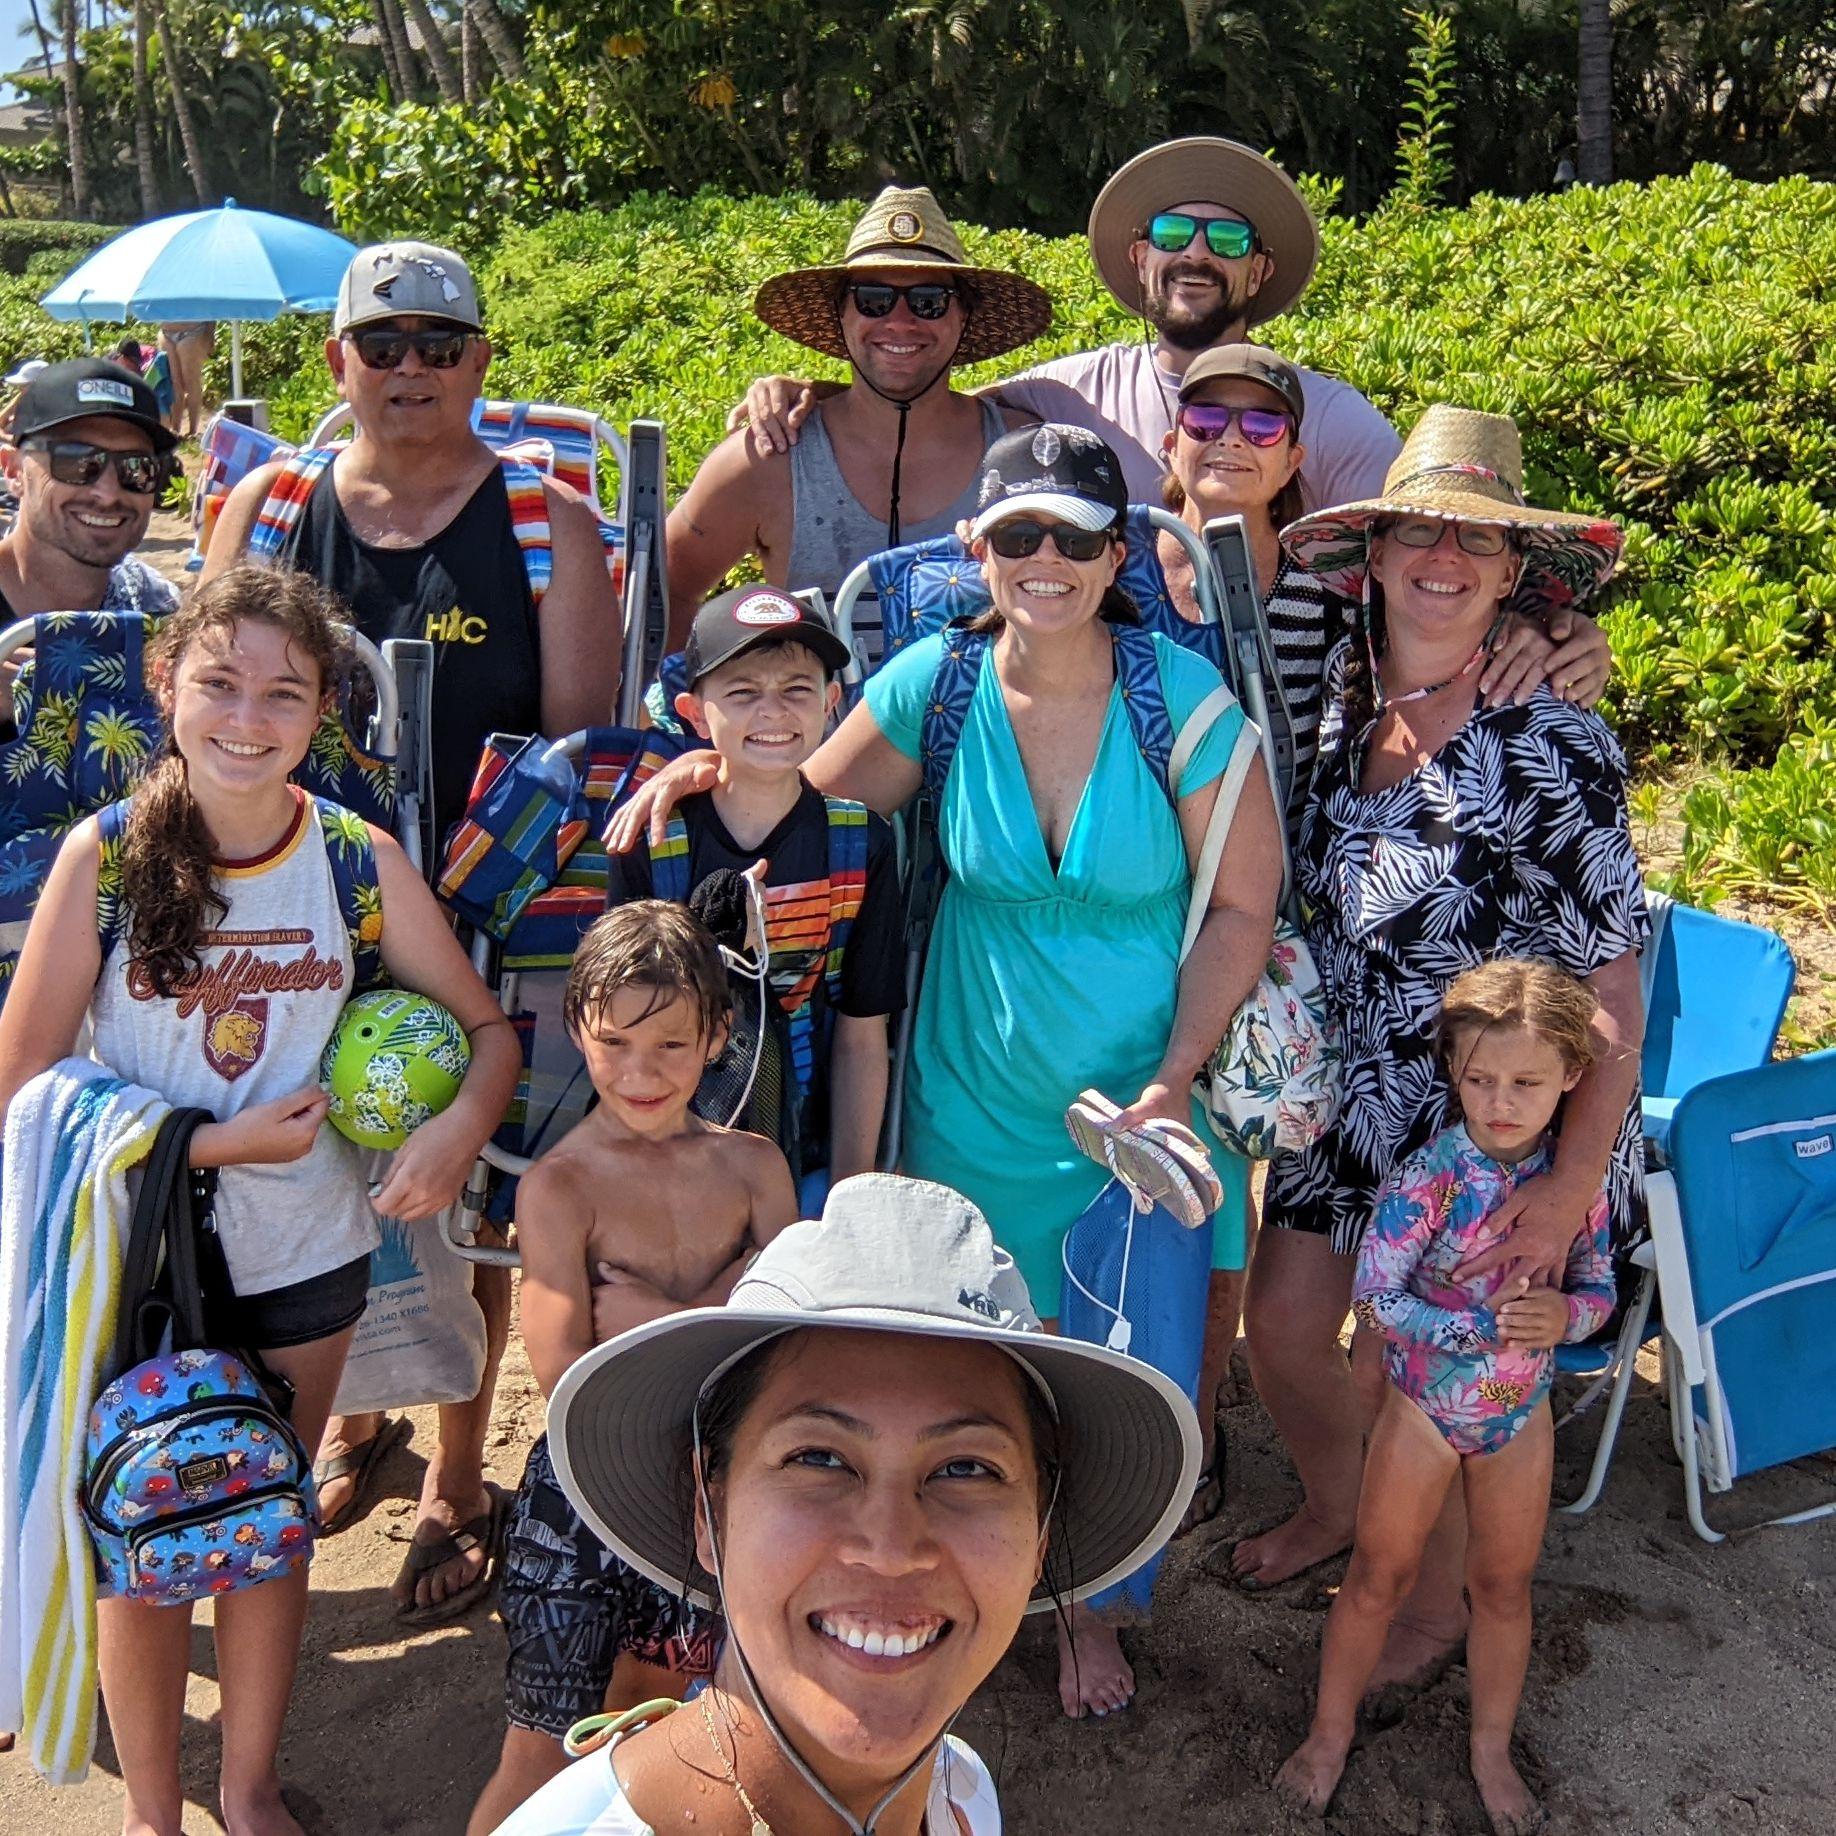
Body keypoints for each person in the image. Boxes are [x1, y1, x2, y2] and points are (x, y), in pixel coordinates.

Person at [610, 424, 1281, 1718]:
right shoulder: (940, 682)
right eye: (1018, 534)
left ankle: (1094, 1604)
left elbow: (1243, 912)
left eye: (1074, 538)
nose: (1046, 560)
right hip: (969, 1086)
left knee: (1129, 1359)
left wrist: (1178, 1076)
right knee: (975, 1365)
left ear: (1114, 554)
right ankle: (944, 1604)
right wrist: (714, 767)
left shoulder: (1177, 702)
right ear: (978, 550)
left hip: (1144, 1092)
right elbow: (800, 802)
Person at [0, 565, 520, 1836]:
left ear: (322, 709)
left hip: (307, 1250)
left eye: (283, 691)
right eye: (218, 681)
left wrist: (457, 1126)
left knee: (264, 1513)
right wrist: (208, 1144)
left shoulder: (353, 859)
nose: (247, 713)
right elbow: (25, 1076)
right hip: (130, 1260)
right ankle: (153, 1814)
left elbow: (487, 1030)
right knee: (149, 1517)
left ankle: (245, 1789)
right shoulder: (108, 856)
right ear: (166, 687)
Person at [204, 240, 617, 1622]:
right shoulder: (269, 508)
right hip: (298, 892)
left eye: (441, 343)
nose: (411, 368)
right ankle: (346, 1419)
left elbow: (575, 749)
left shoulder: (548, 520)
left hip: (480, 902)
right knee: (313, 1158)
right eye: (383, 345)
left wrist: (455, 895)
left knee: (472, 1185)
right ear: (339, 363)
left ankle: (453, 1458)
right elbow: (209, 711)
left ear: (482, 364)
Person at [1234, 407, 1646, 1689]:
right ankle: (1355, 1513)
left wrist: (1570, 1185)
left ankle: (1430, 1603)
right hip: (1353, 1098)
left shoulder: (1551, 737)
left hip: (1491, 1123)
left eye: (1477, 541)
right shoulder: (1343, 701)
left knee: (1437, 1378)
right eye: (1420, 529)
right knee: (1288, 1329)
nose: (1445, 560)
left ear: (1516, 574)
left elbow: (1617, 996)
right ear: (1374, 552)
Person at [489, 1171, 1199, 1836]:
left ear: (1041, 1534)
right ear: (709, 1513)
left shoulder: (960, 1792)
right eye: (819, 1458)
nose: (891, 1549)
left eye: (965, 1468)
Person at [469, 901, 798, 1832]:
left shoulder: (754, 1169)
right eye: (614, 1043)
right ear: (579, 1031)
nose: (641, 1072)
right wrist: (724, 1303)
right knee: (544, 1752)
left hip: (720, 1497)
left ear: (719, 1036)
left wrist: (656, 1314)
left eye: (671, 1044)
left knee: (695, 1733)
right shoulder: (558, 1187)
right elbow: (568, 1373)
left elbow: (794, 1342)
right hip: (585, 1500)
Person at [1277, 960, 1616, 1831]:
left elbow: (1601, 1290)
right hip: (1422, 1414)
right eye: (1480, 1079)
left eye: (1527, 1082)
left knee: (1503, 1587)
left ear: (1572, 1077)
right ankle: (1327, 1732)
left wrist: (1564, 1314)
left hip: (1516, 1417)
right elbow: (1378, 1299)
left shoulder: (1573, 1191)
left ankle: (1489, 1748)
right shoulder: (1428, 1176)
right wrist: (1476, 1332)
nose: (1501, 1100)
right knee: (1378, 1575)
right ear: (1455, 1073)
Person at [736, 137, 1401, 512]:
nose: (1196, 253)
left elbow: (1427, 531)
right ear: (1142, 260)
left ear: (1258, 271)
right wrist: (813, 394)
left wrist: (1513, 614)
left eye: (1226, 240)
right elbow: (922, 401)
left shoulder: (1332, 418)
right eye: (1173, 233)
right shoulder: (1064, 396)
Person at [604, 586, 903, 1204]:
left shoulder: (860, 844)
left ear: (831, 701)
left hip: (803, 1154)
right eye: (742, 692)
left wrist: (850, 1195)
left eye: (797, 689)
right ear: (692, 711)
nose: (773, 711)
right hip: (658, 1155)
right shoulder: (652, 839)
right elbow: (615, 1023)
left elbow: (862, 1033)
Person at [665, 186, 1048, 644]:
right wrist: (690, 703)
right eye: (873, 298)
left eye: (929, 300)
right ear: (841, 313)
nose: (900, 320)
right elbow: (664, 590)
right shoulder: (769, 457)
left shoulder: (1023, 455)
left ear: (962, 316)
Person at [0, 358, 181, 628]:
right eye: (77, 462)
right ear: (13, 471)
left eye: (135, 467)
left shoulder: (155, 610)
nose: (108, 494)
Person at [157, 322, 213, 439]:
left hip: (193, 330)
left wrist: (210, 336)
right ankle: (175, 429)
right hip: (166, 331)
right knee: (173, 383)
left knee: (191, 381)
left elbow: (211, 307)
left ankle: (193, 431)